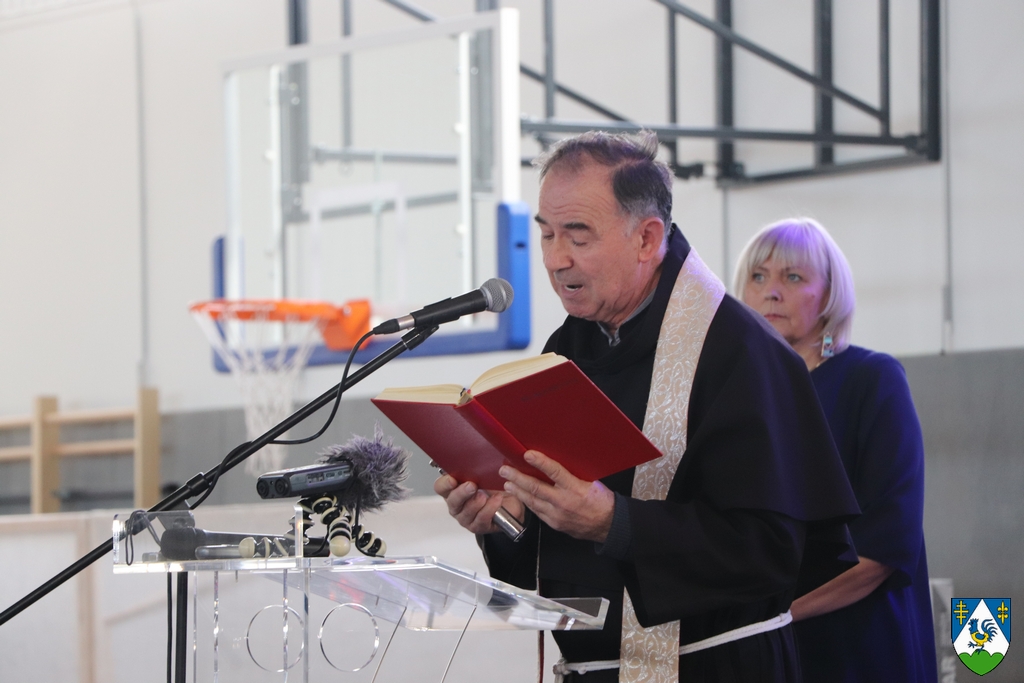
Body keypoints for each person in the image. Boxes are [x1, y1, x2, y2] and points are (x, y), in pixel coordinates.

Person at [435, 131, 860, 683]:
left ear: (647, 237)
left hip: (716, 667)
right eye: (546, 234)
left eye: (578, 236)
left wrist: (616, 524)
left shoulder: (739, 351)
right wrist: (504, 521)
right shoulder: (565, 353)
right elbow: (557, 554)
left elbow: (774, 552)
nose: (556, 259)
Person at [734, 217, 937, 683]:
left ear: (829, 296)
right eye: (758, 276)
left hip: (859, 647)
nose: (771, 292)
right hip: (767, 650)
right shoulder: (741, 396)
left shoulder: (872, 379)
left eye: (793, 277)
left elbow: (886, 543)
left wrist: (774, 614)